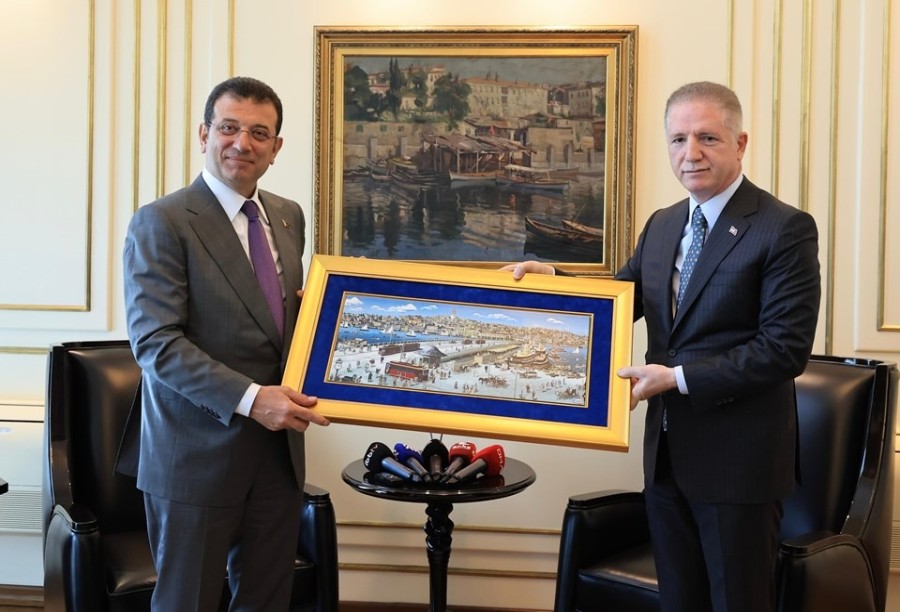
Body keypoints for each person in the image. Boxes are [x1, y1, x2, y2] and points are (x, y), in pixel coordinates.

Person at [506, 81, 820, 612]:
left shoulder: (783, 228)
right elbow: (621, 298)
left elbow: (784, 349)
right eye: (678, 139)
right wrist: (554, 281)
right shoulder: (663, 224)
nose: (690, 153)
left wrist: (675, 379)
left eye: (707, 138)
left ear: (740, 143)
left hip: (738, 467)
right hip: (666, 461)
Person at [120, 76, 330, 611]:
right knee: (186, 602)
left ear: (276, 148)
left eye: (259, 133)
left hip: (279, 455)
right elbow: (157, 343)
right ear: (204, 135)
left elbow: (275, 319)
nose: (242, 143)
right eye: (229, 127)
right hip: (195, 455)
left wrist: (329, 313)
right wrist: (253, 399)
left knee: (267, 599)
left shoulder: (288, 216)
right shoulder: (162, 221)